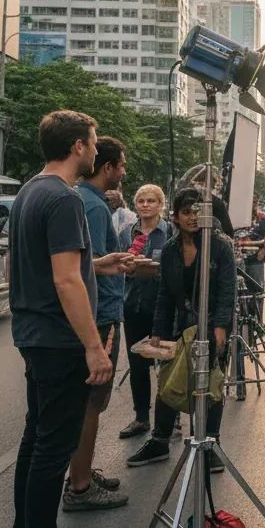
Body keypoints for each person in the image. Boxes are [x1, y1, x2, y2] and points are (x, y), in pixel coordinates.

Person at [9, 111, 125, 528]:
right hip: (59, 341)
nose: (97, 151)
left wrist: (97, 263)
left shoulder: (30, 191)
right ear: (78, 146)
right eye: (94, 143)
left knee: (36, 440)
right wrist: (94, 347)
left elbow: (52, 266)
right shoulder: (65, 199)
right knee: (53, 447)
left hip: (34, 334)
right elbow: (62, 279)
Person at [125, 188, 235, 472]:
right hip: (179, 325)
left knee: (210, 385)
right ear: (175, 216)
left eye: (198, 211)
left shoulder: (220, 245)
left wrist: (221, 327)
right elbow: (164, 295)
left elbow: (227, 291)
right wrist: (158, 331)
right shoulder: (172, 248)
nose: (193, 217)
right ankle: (160, 440)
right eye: (186, 212)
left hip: (211, 325)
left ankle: (210, 445)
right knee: (168, 382)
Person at [65, 137, 136, 512]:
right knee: (91, 403)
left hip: (103, 309)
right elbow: (80, 266)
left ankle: (82, 471)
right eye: (120, 165)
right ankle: (79, 485)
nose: (123, 172)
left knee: (91, 403)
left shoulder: (88, 202)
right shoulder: (90, 206)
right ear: (106, 166)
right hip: (102, 314)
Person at [117, 184, 171, 439]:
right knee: (138, 365)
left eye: (151, 201)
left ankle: (171, 417)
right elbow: (115, 263)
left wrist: (157, 270)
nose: (146, 205)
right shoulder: (127, 233)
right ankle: (141, 417)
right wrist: (126, 267)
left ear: (161, 205)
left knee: (167, 363)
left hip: (162, 307)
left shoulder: (169, 232)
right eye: (142, 201)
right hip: (133, 305)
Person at [242, 194, 265, 305]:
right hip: (238, 260)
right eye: (251, 202)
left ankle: (258, 320)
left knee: (257, 292)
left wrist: (263, 249)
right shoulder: (237, 218)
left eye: (255, 202)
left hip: (255, 261)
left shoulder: (263, 218)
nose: (253, 205)